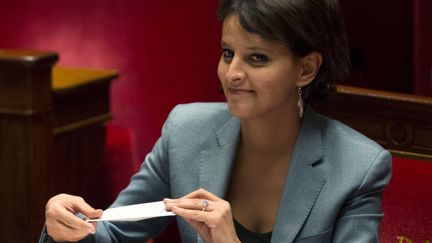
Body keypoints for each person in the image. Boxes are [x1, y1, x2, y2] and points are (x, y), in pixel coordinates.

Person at [40, 0, 392, 242]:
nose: (232, 73)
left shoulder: (358, 167)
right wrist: (66, 228)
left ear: (305, 69)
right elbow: (112, 233)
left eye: (256, 58)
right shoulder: (185, 130)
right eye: (228, 53)